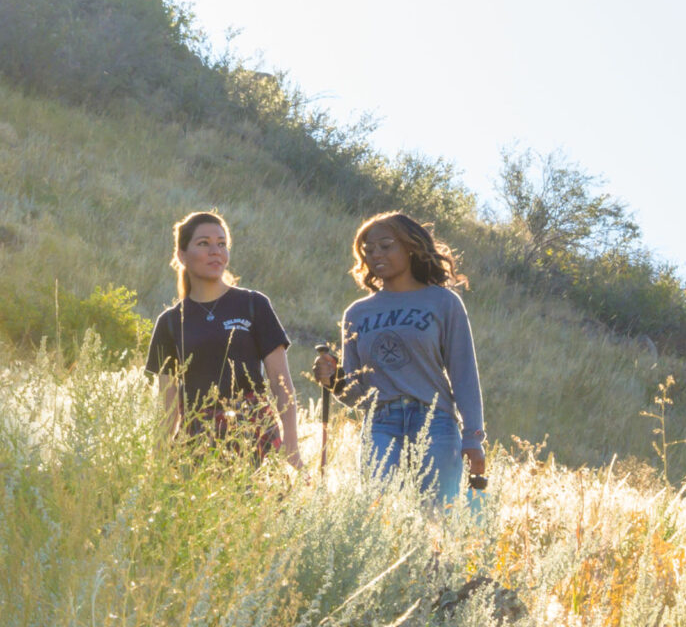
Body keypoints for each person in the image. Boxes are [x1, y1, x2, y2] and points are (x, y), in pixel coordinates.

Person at [320, 211, 486, 502]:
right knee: (378, 516)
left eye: (386, 246)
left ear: (410, 247)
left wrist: (473, 437)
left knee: (439, 519)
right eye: (368, 250)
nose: (375, 255)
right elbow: (357, 393)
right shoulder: (357, 314)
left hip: (436, 421)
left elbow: (464, 374)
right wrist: (333, 380)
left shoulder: (443, 302)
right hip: (381, 422)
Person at [143, 210, 301, 463]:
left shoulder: (253, 304)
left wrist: (291, 445)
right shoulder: (170, 323)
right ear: (182, 255)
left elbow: (281, 382)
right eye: (203, 243)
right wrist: (158, 461)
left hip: (255, 431)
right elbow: (167, 408)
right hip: (198, 438)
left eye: (222, 243)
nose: (215, 251)